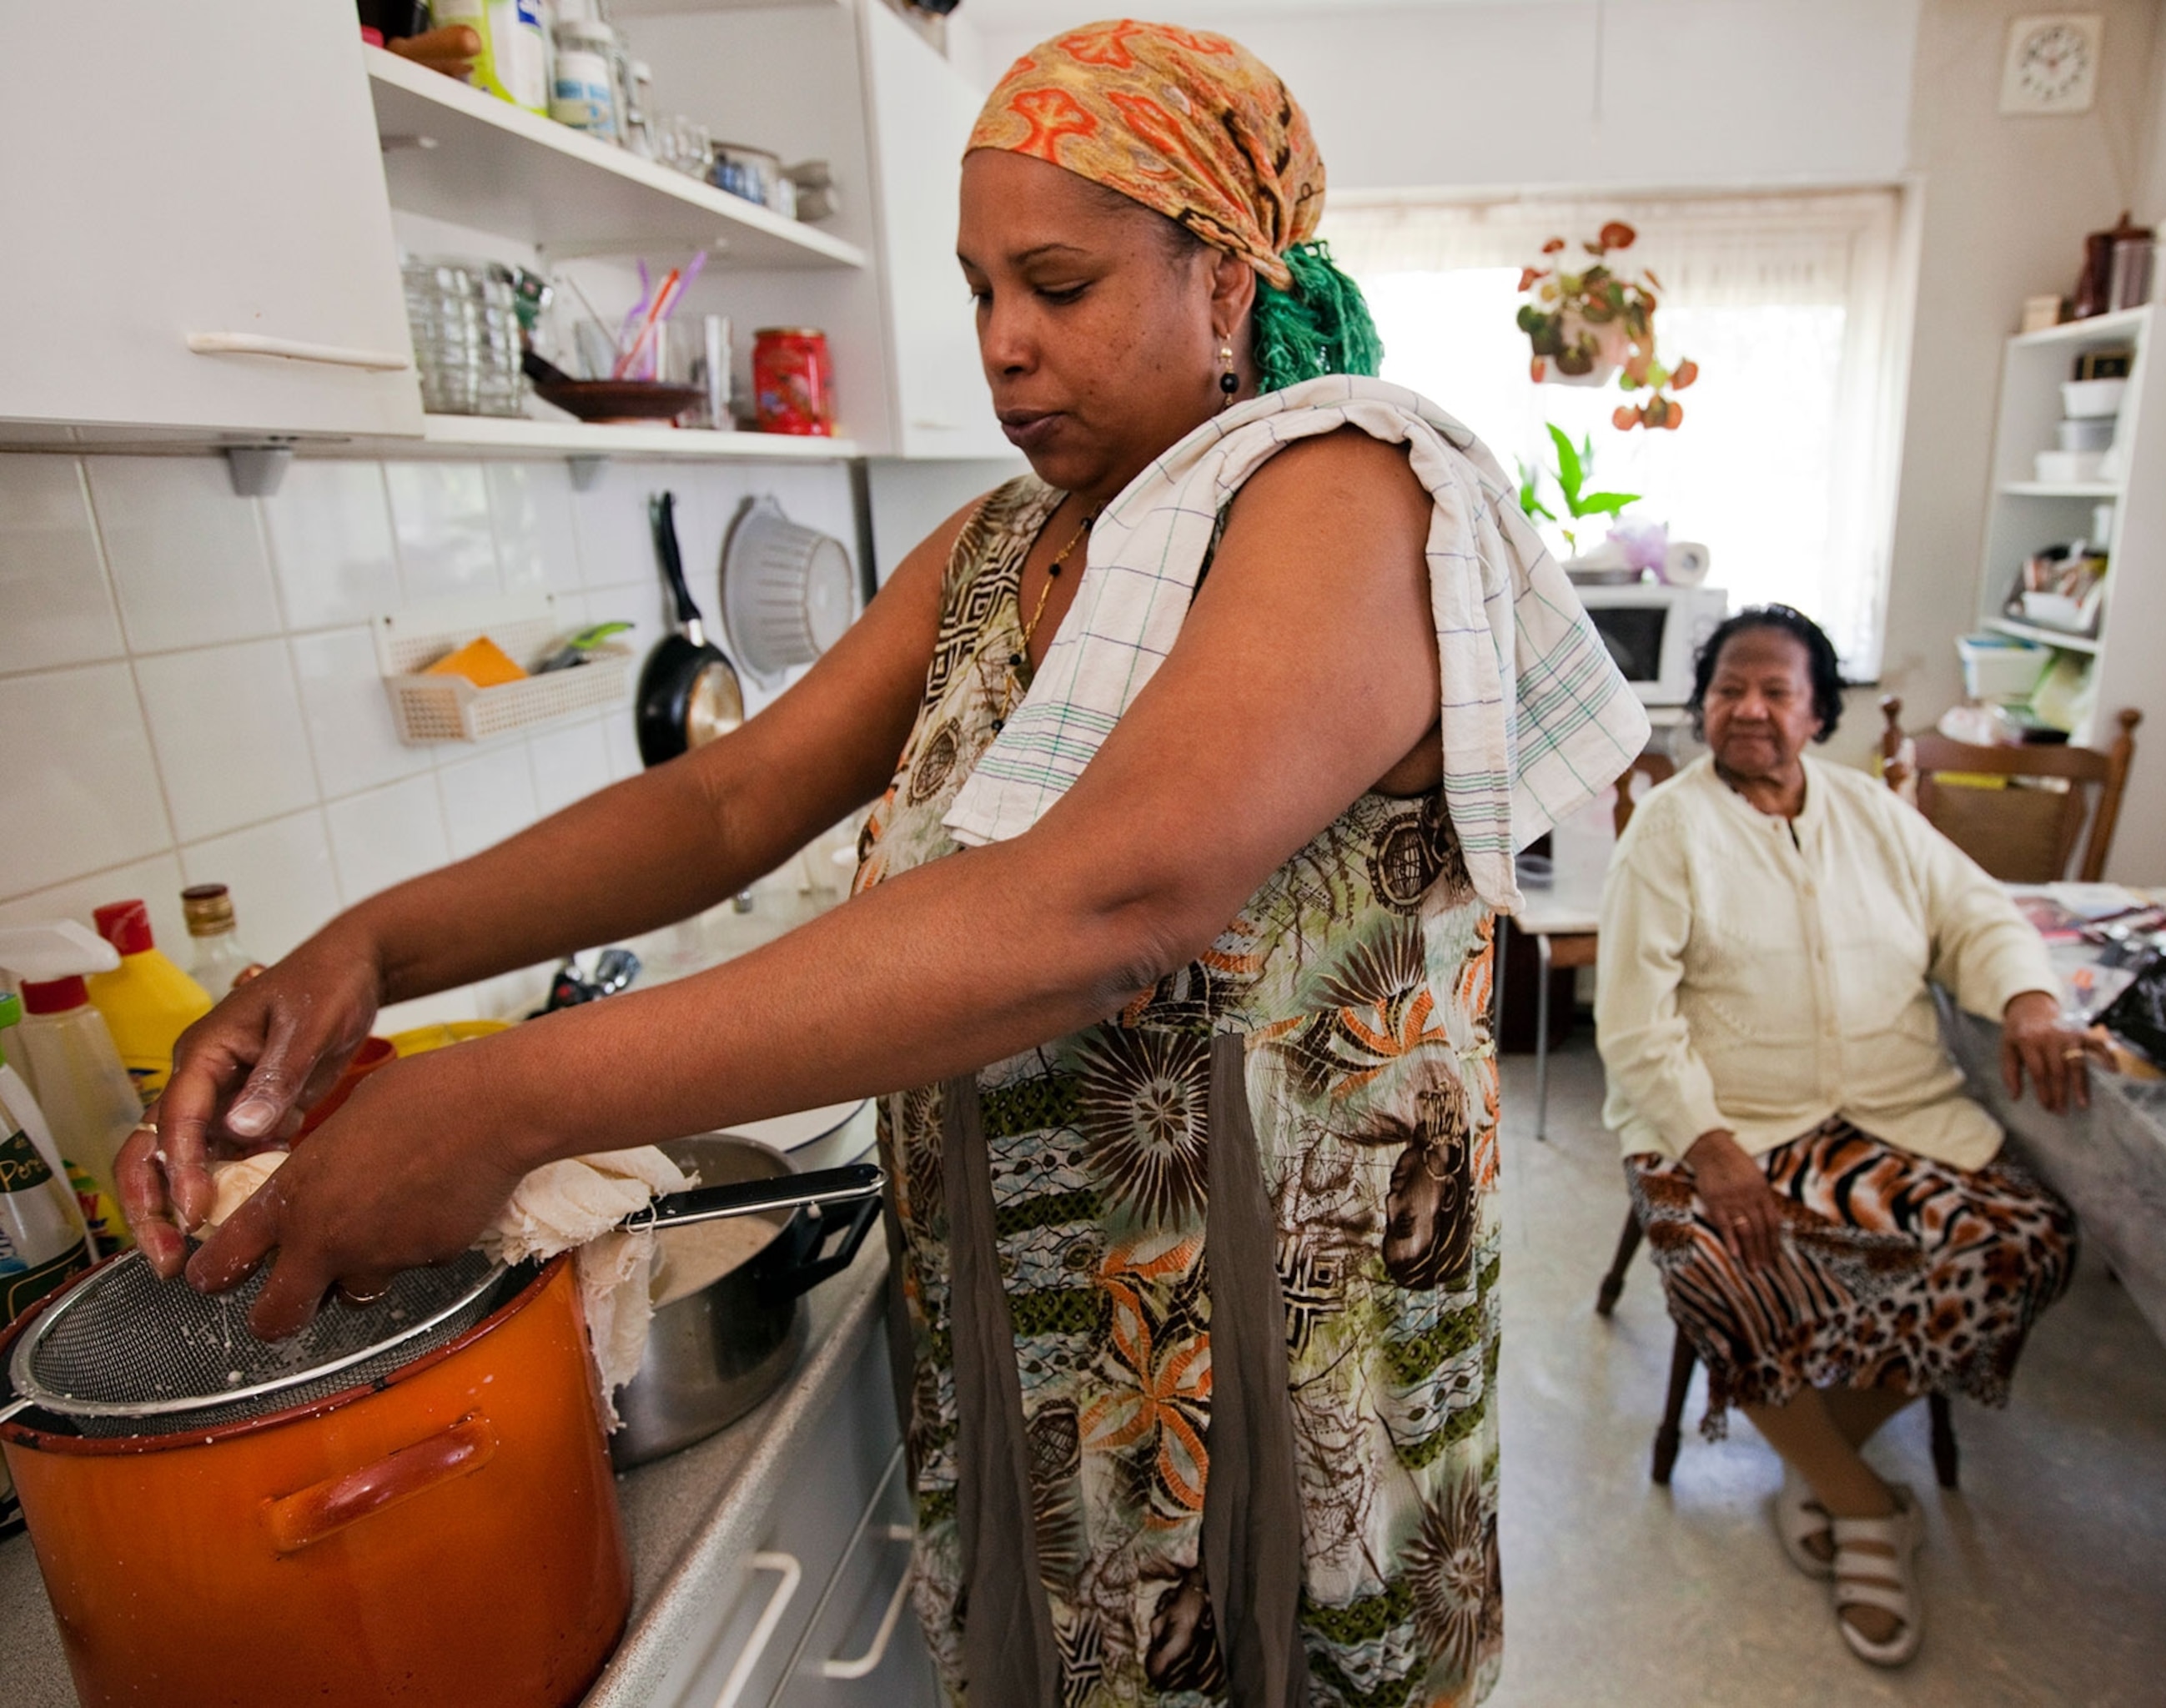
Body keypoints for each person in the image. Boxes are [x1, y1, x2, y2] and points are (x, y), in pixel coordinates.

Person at [118, 21, 1649, 1708]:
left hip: (1278, 1367)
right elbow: (728, 802)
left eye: (1057, 284)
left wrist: (503, 1099)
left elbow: (1103, 906)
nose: (1002, 346)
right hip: (1050, 1343)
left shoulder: (1347, 494)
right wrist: (367, 950)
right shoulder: (1003, 546)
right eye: (981, 286)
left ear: (1225, 281)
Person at [1593, 605, 2086, 1670]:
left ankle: (1818, 1463)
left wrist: (2032, 1000)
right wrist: (1708, 1143)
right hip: (1729, 1123)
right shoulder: (1667, 830)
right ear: (1702, 704)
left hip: (1897, 1110)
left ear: (1820, 712)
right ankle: (1866, 1506)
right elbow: (1634, 1020)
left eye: (1777, 691)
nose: (1750, 709)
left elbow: (1980, 916)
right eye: (1730, 688)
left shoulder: (1873, 811)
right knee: (1727, 1262)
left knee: (2022, 1244)